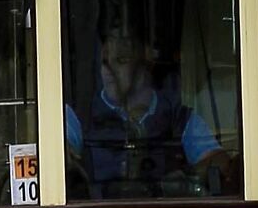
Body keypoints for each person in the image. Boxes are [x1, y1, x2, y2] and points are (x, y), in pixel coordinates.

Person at [65, 22, 222, 196]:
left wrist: (185, 179)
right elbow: (57, 161)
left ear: (146, 59)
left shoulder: (179, 118)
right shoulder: (77, 116)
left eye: (121, 60)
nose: (108, 70)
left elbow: (218, 162)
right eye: (104, 61)